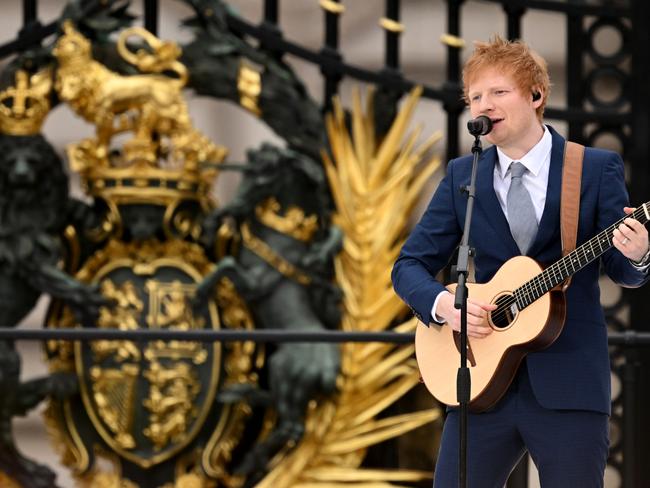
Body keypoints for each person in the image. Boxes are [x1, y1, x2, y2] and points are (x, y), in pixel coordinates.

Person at [391, 35, 650, 487]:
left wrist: (639, 252)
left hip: (568, 385)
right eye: (475, 97)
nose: (483, 105)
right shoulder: (462, 175)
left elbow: (624, 272)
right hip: (480, 380)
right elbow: (408, 265)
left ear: (536, 95)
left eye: (498, 92)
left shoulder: (593, 168)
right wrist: (444, 306)